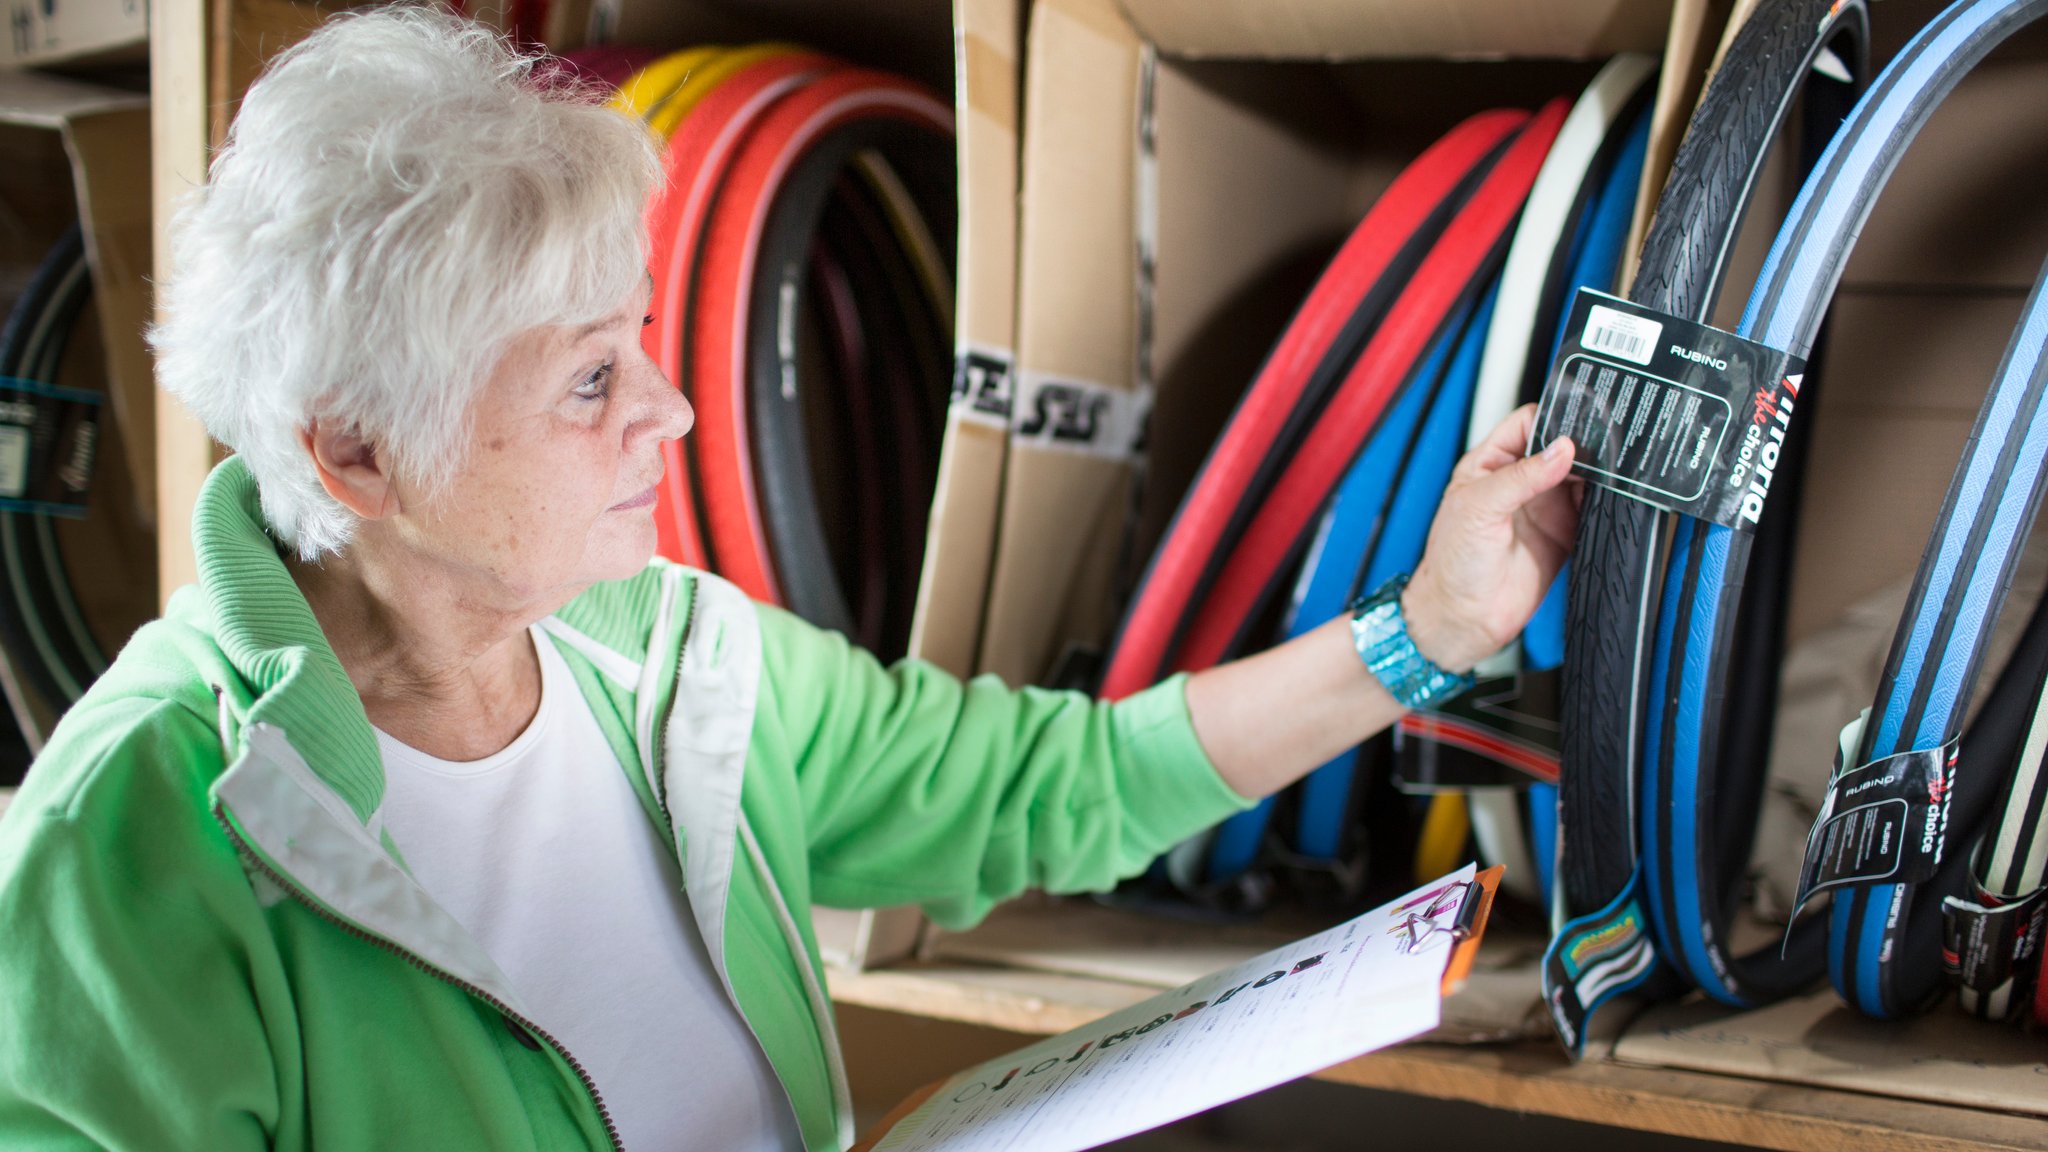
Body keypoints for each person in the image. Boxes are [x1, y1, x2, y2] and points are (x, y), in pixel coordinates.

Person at [0, 9, 1579, 1152]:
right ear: (352, 458)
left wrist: (1424, 634)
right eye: (586, 383)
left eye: (641, 342)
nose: (672, 410)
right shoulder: (128, 850)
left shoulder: (678, 657)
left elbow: (1063, 782)